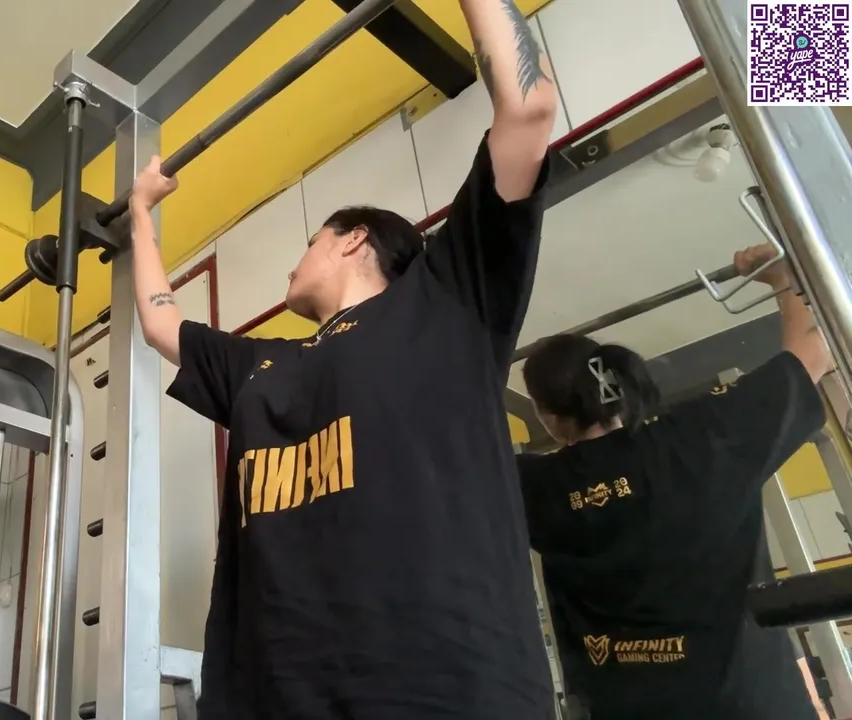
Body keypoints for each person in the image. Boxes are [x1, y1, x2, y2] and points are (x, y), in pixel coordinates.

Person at [126, 1, 560, 716]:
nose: (294, 265)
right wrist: (142, 212)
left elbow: (529, 107)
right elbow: (157, 321)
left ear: (353, 238)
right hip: (272, 697)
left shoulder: (447, 299)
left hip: (441, 692)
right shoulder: (261, 365)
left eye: (310, 243)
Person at [517, 243, 835, 720]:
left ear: (547, 415)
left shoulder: (529, 486)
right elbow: (813, 352)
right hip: (750, 707)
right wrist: (782, 277)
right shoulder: (698, 438)